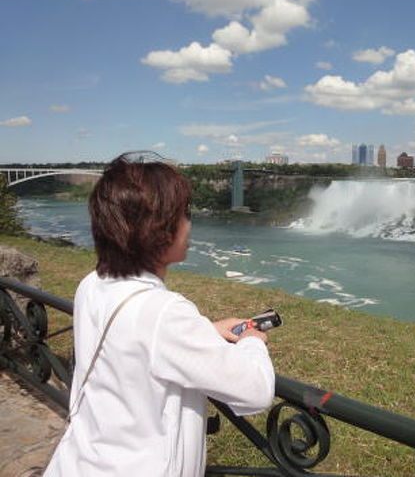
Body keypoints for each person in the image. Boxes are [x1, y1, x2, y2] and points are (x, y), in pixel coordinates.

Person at [44, 153, 275, 476]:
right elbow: (255, 391)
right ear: (159, 230)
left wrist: (204, 330)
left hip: (82, 462)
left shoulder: (93, 284)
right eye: (184, 215)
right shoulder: (165, 313)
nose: (190, 225)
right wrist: (252, 340)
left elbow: (134, 343)